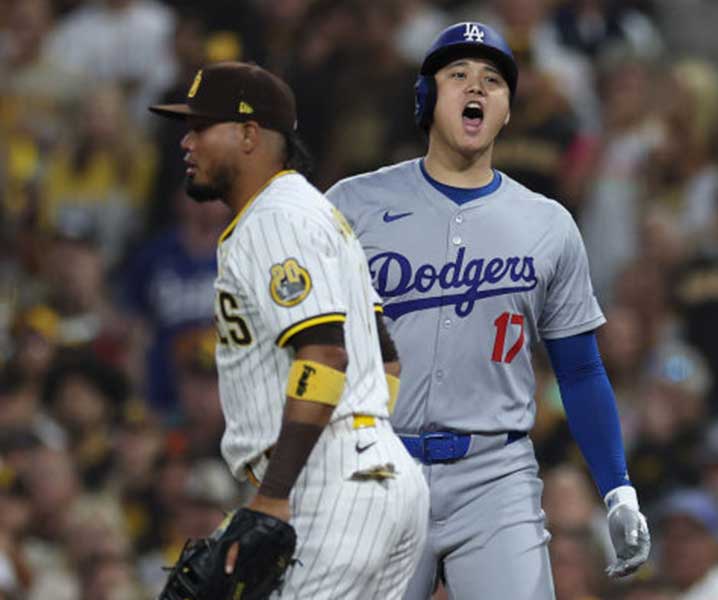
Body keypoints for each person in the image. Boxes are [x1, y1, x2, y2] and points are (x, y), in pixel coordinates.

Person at [326, 22, 651, 599]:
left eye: (492, 80)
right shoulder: (352, 204)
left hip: (494, 473)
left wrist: (618, 488)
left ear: (505, 110)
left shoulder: (547, 223)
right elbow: (307, 343)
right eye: (458, 76)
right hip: (377, 466)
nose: (476, 86)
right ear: (426, 99)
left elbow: (579, 370)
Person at [148, 61, 428, 598]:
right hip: (374, 475)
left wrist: (277, 492)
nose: (186, 142)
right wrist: (371, 440)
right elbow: (385, 357)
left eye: (201, 127)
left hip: (326, 479)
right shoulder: (312, 213)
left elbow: (324, 354)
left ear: (250, 135)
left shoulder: (275, 218)